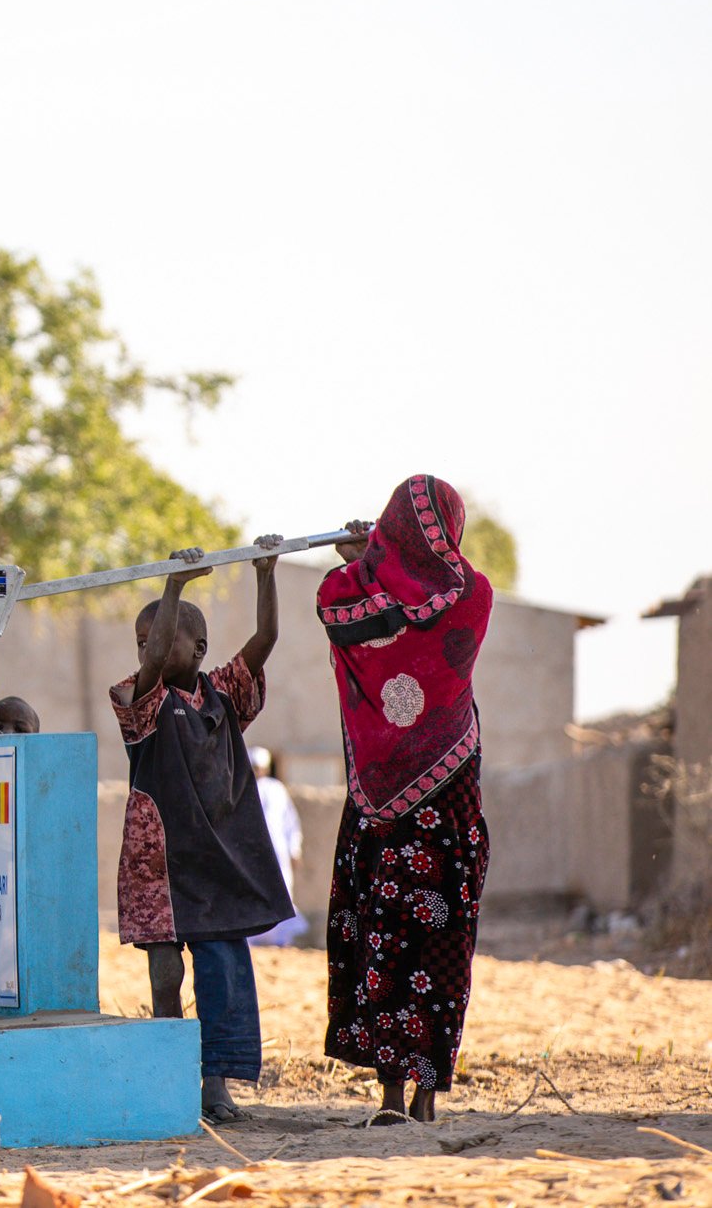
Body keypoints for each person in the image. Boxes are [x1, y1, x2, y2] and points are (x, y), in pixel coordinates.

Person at [318, 476, 493, 1127]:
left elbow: (340, 601)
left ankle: (398, 1095)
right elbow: (423, 599)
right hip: (445, 811)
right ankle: (417, 1096)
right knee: (426, 948)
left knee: (391, 946)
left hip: (385, 810)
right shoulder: (469, 594)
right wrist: (380, 563)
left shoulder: (370, 591)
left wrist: (367, 563)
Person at [111, 536, 292, 1124]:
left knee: (221, 969)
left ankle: (215, 1083)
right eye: (142, 642)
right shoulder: (141, 701)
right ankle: (167, 1078)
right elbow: (157, 653)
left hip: (216, 861)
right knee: (165, 970)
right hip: (158, 861)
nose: (150, 648)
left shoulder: (224, 696)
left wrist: (266, 572)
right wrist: (173, 584)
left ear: (201, 648)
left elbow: (264, 641)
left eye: (162, 636)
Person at [247, 746, 309, 948]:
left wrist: (294, 849)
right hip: (251, 853)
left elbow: (290, 822)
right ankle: (252, 938)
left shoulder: (276, 788)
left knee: (281, 892)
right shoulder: (241, 788)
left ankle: (282, 939)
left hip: (277, 851)